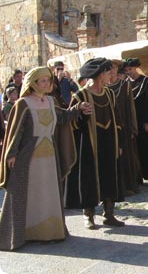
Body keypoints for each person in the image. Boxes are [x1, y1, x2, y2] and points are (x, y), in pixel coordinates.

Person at [0, 66, 91, 250]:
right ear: (33, 83)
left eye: (48, 80)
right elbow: (16, 131)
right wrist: (12, 154)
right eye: (43, 81)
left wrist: (78, 108)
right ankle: (25, 233)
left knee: (48, 192)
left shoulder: (50, 101)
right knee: (29, 193)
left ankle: (50, 231)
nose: (47, 83)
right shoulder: (23, 103)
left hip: (50, 156)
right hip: (28, 157)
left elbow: (63, 117)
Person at [64, 58, 125, 229]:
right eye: (108, 72)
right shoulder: (81, 95)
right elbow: (71, 123)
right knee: (89, 178)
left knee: (109, 176)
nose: (111, 75)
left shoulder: (110, 93)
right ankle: (89, 215)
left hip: (109, 141)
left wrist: (119, 144)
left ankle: (109, 213)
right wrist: (80, 111)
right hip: (89, 143)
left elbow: (117, 120)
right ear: (99, 75)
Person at [123, 57, 148, 185]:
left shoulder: (146, 82)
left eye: (130, 69)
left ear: (135, 68)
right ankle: (141, 175)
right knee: (137, 149)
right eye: (127, 69)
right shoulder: (126, 83)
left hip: (145, 120)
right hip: (134, 120)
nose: (129, 71)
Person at [108, 59, 141, 196]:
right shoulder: (102, 88)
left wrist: (133, 127)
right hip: (109, 127)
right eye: (109, 69)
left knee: (126, 156)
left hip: (124, 126)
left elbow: (131, 107)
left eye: (114, 68)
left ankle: (127, 185)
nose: (112, 71)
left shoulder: (124, 86)